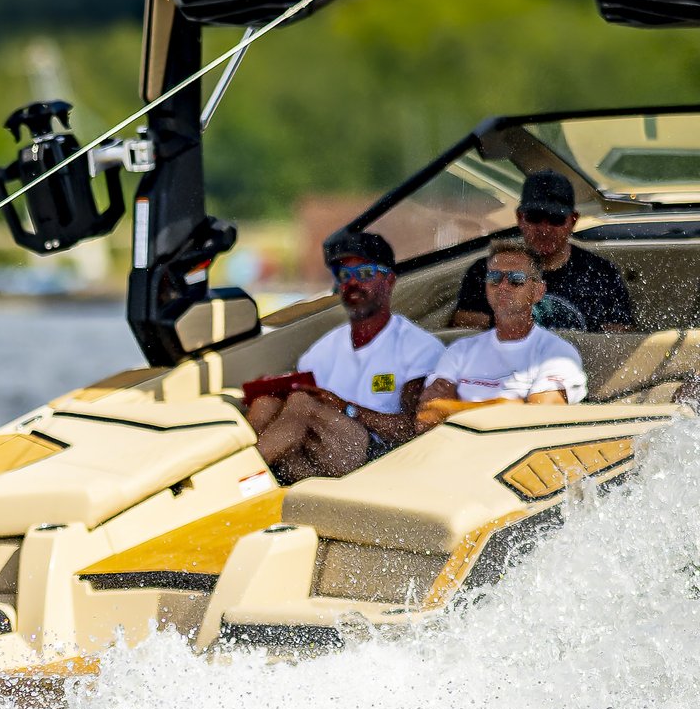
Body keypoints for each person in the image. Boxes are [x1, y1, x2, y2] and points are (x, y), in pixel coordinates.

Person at [248, 231, 444, 481]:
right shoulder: (322, 349)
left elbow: (416, 428)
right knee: (266, 402)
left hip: (377, 456)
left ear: (389, 280)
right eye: (344, 275)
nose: (352, 283)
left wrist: (345, 408)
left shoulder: (419, 348)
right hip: (320, 454)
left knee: (302, 402)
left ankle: (238, 477)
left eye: (364, 273)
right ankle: (251, 483)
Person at [419, 240, 586, 429]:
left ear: (538, 291)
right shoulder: (460, 350)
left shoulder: (557, 353)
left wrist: (450, 408)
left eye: (516, 279)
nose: (503, 286)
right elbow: (426, 417)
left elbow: (542, 420)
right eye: (494, 277)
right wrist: (504, 405)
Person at [449, 170, 638, 332]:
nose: (544, 230)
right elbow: (464, 332)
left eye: (556, 219)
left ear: (573, 220)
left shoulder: (601, 274)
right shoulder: (488, 271)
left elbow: (619, 342)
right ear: (520, 218)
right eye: (535, 217)